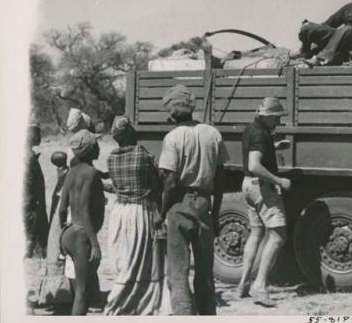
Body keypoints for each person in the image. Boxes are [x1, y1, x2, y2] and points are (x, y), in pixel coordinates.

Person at [158, 84, 229, 315]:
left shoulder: (172, 138)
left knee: (178, 273)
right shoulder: (213, 133)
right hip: (205, 205)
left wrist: (162, 212)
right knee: (205, 272)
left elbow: (170, 183)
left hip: (180, 204)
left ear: (171, 111)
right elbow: (220, 180)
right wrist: (216, 213)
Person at [104, 116, 164, 315]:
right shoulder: (143, 155)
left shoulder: (111, 157)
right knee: (140, 262)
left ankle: (121, 302)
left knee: (123, 260)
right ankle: (133, 304)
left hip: (119, 211)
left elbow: (116, 185)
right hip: (140, 211)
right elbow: (157, 183)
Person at [237, 97, 292, 307]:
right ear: (267, 116)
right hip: (262, 187)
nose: (278, 121)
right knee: (278, 236)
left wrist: (274, 146)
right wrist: (280, 181)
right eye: (276, 117)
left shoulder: (252, 129)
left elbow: (254, 150)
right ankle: (259, 286)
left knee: (257, 233)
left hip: (248, 186)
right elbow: (254, 164)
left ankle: (242, 284)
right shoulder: (261, 133)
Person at [59, 129, 106, 315]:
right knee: (82, 292)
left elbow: (62, 208)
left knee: (80, 288)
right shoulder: (91, 173)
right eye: (96, 145)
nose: (99, 148)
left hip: (70, 234)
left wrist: (63, 230)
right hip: (81, 237)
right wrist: (94, 244)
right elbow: (85, 210)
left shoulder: (71, 173)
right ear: (91, 150)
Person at [38, 151, 73, 310]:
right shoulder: (66, 173)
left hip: (57, 216)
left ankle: (59, 293)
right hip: (60, 216)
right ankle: (61, 294)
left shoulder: (63, 174)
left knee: (57, 252)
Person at [24, 124, 49, 259]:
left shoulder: (30, 156)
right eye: (36, 133)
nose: (39, 137)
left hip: (35, 209)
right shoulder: (28, 159)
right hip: (33, 210)